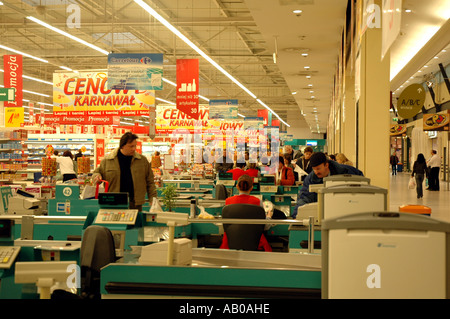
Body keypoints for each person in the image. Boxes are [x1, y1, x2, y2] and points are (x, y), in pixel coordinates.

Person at [92, 132, 157, 211]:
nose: (134, 149)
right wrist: (97, 177)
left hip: (135, 203)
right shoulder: (107, 160)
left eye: (135, 146)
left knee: (135, 222)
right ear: (122, 146)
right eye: (131, 146)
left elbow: (150, 181)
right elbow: (96, 172)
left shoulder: (142, 161)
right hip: (114, 203)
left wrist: (153, 199)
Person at [293, 152, 364, 218]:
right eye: (314, 169)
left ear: (326, 165)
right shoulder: (310, 179)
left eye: (318, 169)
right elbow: (304, 198)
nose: (316, 172)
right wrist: (296, 216)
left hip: (348, 213)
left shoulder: (347, 172)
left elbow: (362, 187)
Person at [221, 174, 272, 252]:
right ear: (251, 188)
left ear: (237, 187)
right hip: (254, 243)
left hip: (229, 244)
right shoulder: (257, 202)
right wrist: (269, 216)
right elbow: (265, 227)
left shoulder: (228, 201)